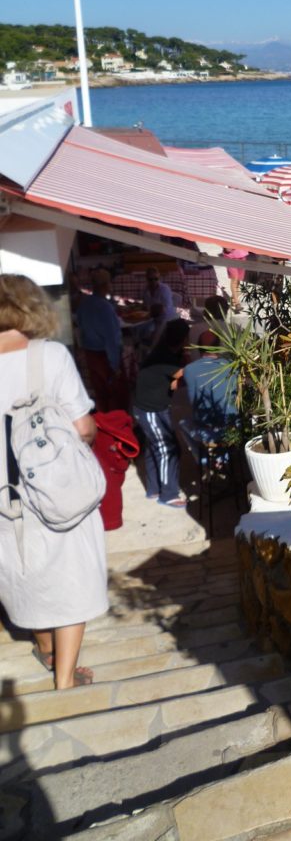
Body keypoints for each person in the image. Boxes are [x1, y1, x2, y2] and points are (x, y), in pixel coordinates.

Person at [0, 274, 107, 689]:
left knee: (23, 574)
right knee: (70, 576)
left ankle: (44, 648)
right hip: (55, 487)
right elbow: (84, 427)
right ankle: (65, 680)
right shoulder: (49, 356)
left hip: (5, 494)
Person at [133, 318, 190, 508]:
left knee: (154, 446)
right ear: (183, 338)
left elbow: (173, 383)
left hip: (150, 407)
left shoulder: (165, 352)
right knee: (168, 449)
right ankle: (168, 494)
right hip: (151, 410)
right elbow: (185, 377)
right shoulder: (165, 358)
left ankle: (154, 488)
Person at [76, 268, 125, 412]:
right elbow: (112, 340)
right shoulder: (105, 307)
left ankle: (104, 424)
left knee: (100, 394)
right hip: (104, 355)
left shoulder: (84, 304)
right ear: (105, 285)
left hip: (90, 354)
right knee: (115, 395)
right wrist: (115, 365)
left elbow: (80, 325)